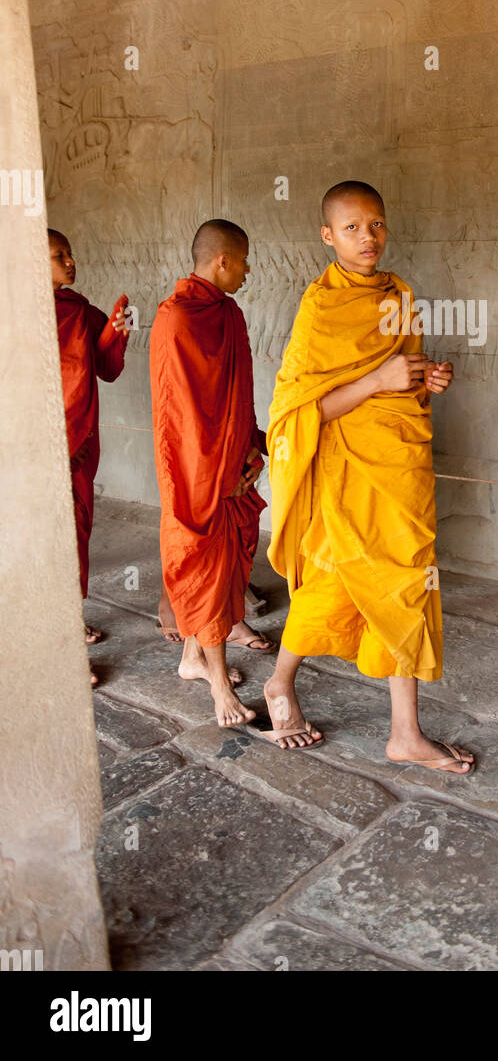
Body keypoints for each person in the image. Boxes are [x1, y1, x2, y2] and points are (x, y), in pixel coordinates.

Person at [262, 181, 474, 773]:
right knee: (333, 585)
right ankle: (279, 683)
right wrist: (377, 383)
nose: (367, 238)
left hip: (399, 469)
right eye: (352, 228)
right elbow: (298, 413)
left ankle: (405, 732)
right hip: (345, 472)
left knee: (408, 579)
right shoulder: (320, 308)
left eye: (376, 225)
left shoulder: (399, 294)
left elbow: (399, 378)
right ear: (327, 235)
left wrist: (424, 378)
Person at [149, 219, 274, 727]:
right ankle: (220, 686)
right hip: (195, 472)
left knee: (228, 564)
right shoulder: (175, 318)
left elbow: (235, 394)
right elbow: (177, 415)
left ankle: (192, 657)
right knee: (205, 566)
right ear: (223, 260)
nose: (248, 271)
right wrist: (219, 472)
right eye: (244, 261)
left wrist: (249, 444)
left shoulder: (229, 313)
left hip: (230, 461)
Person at [50, 229, 129, 686]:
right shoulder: (18, 315)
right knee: (48, 543)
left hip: (79, 443)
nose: (70, 261)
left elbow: (105, 366)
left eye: (70, 253)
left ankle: (68, 618)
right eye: (59, 256)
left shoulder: (76, 308)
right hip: (39, 445)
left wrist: (115, 330)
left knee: (75, 534)